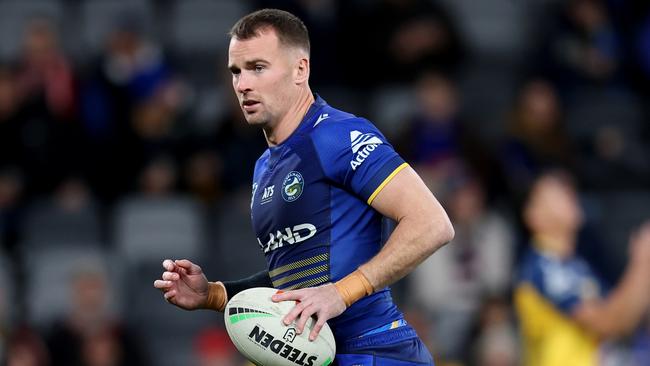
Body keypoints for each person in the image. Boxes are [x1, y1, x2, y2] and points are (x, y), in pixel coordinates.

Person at [154, 8, 454, 365]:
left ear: (301, 69)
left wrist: (341, 293)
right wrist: (216, 295)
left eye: (258, 68)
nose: (242, 84)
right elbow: (296, 277)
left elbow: (433, 224)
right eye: (236, 71)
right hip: (321, 356)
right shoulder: (265, 167)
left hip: (376, 351)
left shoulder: (338, 136)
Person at [514, 170, 650, 366]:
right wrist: (642, 261)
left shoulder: (575, 265)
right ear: (533, 216)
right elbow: (609, 323)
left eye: (568, 191)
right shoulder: (543, 267)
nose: (569, 196)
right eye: (556, 193)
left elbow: (623, 318)